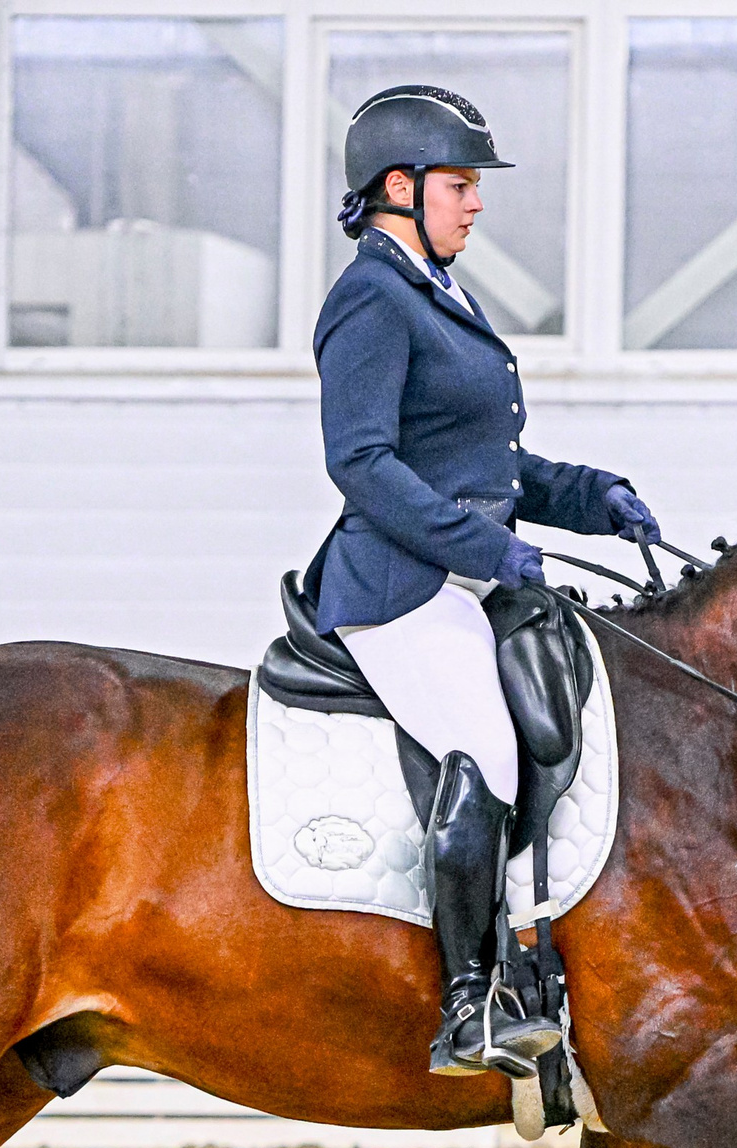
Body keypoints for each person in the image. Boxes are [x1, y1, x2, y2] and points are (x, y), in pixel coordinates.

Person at [308, 85, 660, 1080]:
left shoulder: (439, 291)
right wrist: (480, 548)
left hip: (463, 578)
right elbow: (364, 463)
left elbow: (488, 462)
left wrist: (593, 497)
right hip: (398, 585)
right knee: (485, 747)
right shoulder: (370, 298)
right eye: (459, 185)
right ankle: (470, 1003)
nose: (473, 205)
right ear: (398, 186)